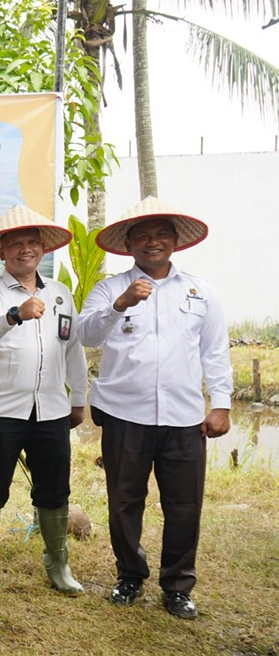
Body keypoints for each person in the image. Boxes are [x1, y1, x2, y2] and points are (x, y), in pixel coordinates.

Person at [76, 197, 230, 619]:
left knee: (184, 504)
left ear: (175, 241)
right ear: (128, 244)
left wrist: (221, 404)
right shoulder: (110, 288)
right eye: (142, 235)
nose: (152, 241)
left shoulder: (200, 291)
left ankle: (178, 586)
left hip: (184, 417)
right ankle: (129, 576)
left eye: (161, 233)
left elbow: (214, 351)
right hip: (125, 413)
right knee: (125, 500)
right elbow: (87, 335)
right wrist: (120, 303)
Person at [0, 207, 88, 594]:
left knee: (54, 488)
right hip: (1, 411)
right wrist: (14, 315)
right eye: (15, 243)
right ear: (1, 252)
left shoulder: (60, 294)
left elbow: (73, 348)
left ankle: (58, 563)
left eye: (32, 242)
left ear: (42, 248)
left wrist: (78, 398)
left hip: (51, 409)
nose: (24, 249)